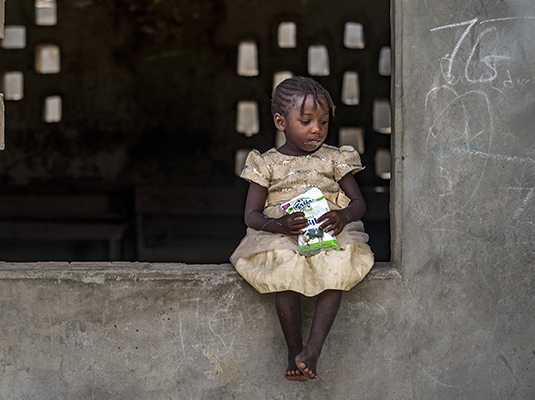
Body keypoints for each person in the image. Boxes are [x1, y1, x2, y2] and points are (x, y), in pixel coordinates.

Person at [230, 76, 374, 382]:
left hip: (328, 228)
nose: (317, 129)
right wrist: (279, 226)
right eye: (306, 121)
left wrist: (344, 216)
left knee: (338, 267)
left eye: (323, 121)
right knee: (284, 269)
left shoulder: (336, 158)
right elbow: (251, 216)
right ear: (281, 121)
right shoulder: (266, 163)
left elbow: (360, 202)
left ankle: (312, 350)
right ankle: (293, 348)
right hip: (283, 232)